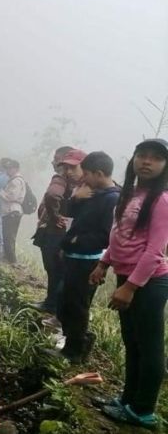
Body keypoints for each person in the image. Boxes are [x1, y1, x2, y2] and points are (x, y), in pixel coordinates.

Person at [91, 139, 168, 430]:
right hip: (127, 277)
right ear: (134, 159)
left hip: (149, 282)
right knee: (132, 343)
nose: (146, 162)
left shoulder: (161, 200)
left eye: (156, 159)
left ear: (165, 166)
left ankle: (143, 410)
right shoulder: (132, 194)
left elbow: (154, 251)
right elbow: (120, 235)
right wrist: (103, 263)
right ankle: (127, 400)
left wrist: (130, 287)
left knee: (149, 347)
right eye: (142, 156)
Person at [53, 151, 119, 364]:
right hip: (74, 256)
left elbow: (106, 236)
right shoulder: (92, 193)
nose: (83, 178)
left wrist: (75, 241)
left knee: (78, 305)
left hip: (88, 260)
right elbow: (72, 215)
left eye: (87, 173)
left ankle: (74, 351)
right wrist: (74, 198)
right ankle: (80, 339)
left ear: (99, 173)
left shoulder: (112, 199)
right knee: (65, 302)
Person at [30, 146, 82, 315]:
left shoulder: (61, 179)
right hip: (70, 234)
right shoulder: (84, 183)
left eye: (56, 158)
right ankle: (52, 304)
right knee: (59, 271)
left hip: (55, 232)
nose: (54, 162)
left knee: (55, 271)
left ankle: (54, 307)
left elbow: (52, 195)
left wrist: (54, 216)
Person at [0, 159, 26, 264]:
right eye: (7, 168)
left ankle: (11, 260)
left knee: (9, 236)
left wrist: (1, 193)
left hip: (12, 211)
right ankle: (8, 258)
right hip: (11, 211)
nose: (8, 171)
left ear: (16, 169)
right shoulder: (14, 179)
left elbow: (12, 196)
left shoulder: (16, 181)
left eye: (10, 168)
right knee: (8, 236)